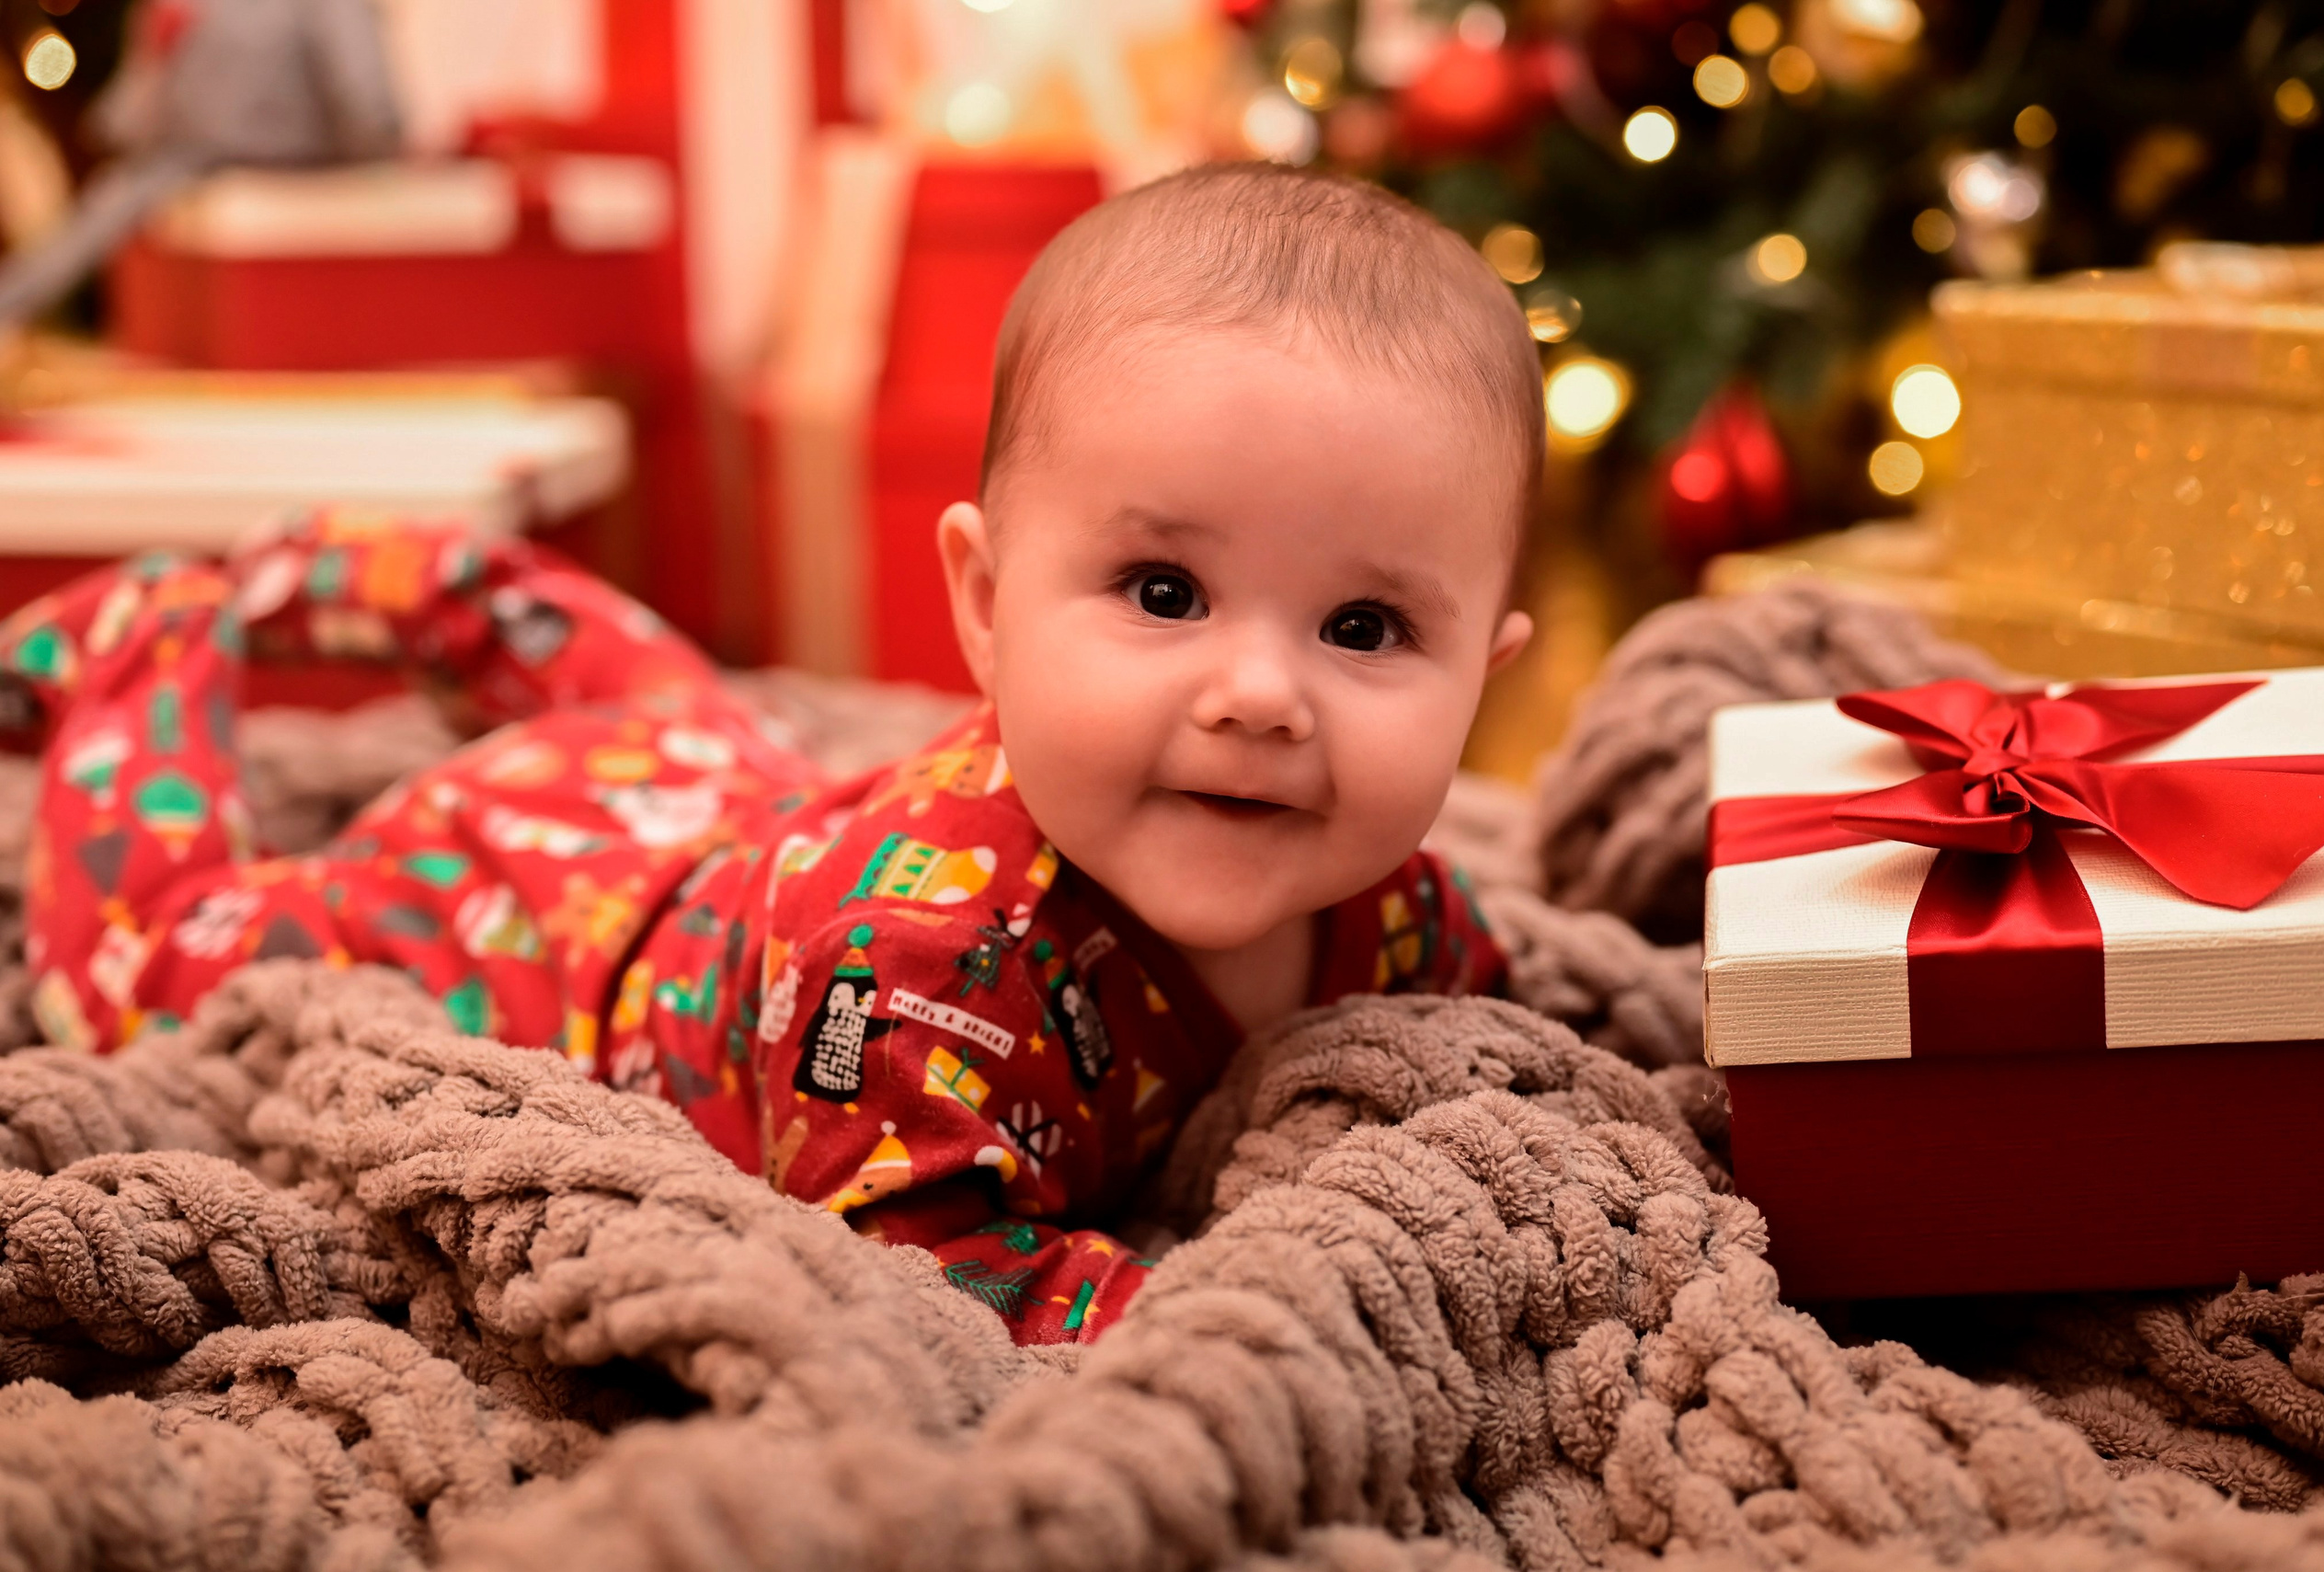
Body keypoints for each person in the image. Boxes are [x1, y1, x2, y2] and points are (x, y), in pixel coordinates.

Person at [5, 163, 1540, 1345]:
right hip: (541, 913)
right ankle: (152, 639)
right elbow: (913, 1265)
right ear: (986, 607)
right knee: (148, 961)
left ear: (1487, 673)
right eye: (1163, 594)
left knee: (680, 723)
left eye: (1362, 628)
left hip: (721, 797)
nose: (1261, 693)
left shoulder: (1394, 898)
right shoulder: (915, 974)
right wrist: (1192, 1313)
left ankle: (428, 599)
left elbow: (1504, 1036)